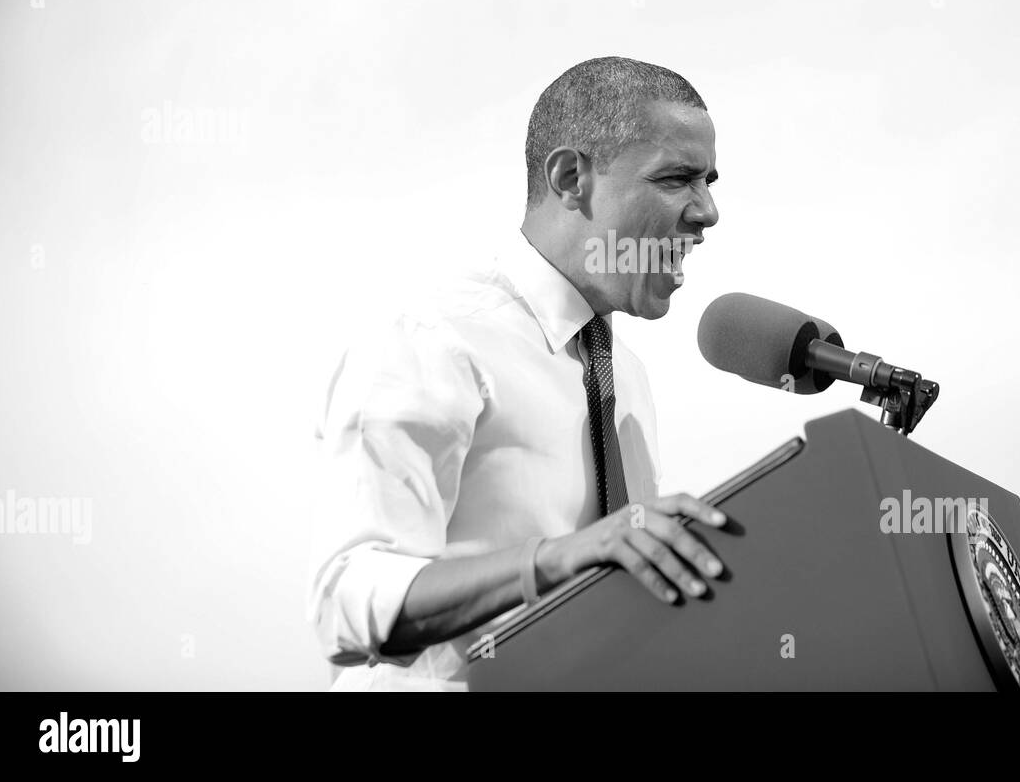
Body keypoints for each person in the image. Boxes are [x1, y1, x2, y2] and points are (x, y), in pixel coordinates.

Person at [307, 56, 726, 690]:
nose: (708, 212)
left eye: (709, 181)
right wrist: (556, 560)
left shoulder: (625, 377)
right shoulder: (435, 336)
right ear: (569, 178)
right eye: (677, 179)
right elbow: (347, 599)